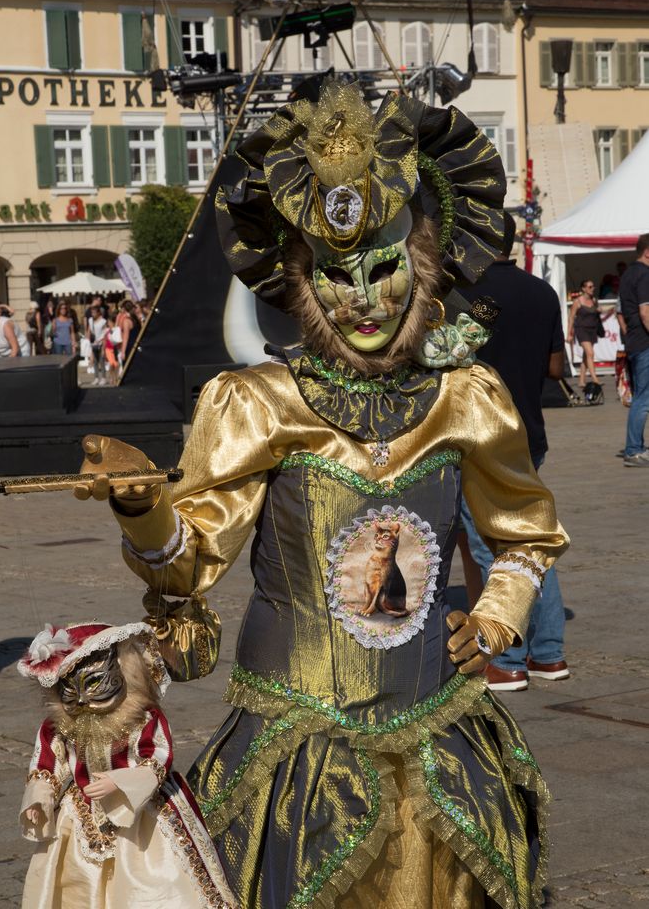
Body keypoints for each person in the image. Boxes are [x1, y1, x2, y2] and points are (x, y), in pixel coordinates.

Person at [73, 83, 568, 908]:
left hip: (437, 733)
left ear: (420, 268)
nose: (363, 300)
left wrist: (494, 617)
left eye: (383, 270)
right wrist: (141, 506)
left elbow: (523, 533)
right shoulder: (257, 402)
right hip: (296, 742)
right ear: (304, 282)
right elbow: (189, 563)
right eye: (337, 276)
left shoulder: (465, 397)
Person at [17, 620, 236, 909]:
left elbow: (157, 758)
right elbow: (48, 764)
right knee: (74, 883)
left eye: (94, 684)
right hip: (82, 812)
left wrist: (122, 782)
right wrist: (40, 797)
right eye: (70, 691)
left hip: (141, 813)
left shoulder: (143, 719)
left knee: (152, 880)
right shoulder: (59, 727)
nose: (83, 699)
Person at [457, 213, 569, 691]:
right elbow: (555, 365)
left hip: (478, 434)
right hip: (530, 433)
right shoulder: (542, 292)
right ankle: (549, 653)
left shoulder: (464, 295)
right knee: (531, 539)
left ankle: (509, 657)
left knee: (492, 547)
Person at [619, 233, 649, 466]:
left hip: (634, 340)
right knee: (643, 397)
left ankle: (635, 446)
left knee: (641, 395)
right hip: (644, 341)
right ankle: (634, 449)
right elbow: (645, 313)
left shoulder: (628, 273)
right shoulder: (644, 274)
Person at [567, 280, 603, 387]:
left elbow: (596, 313)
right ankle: (595, 379)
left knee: (586, 356)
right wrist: (569, 333)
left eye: (593, 287)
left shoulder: (594, 300)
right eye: (590, 287)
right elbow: (571, 318)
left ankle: (581, 380)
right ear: (583, 289)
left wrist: (599, 310)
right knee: (590, 353)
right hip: (581, 330)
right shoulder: (577, 302)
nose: (592, 289)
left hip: (592, 330)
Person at [87, 304, 108, 385]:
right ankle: (96, 378)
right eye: (91, 312)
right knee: (95, 361)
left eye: (94, 313)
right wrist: (89, 340)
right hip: (93, 343)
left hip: (101, 342)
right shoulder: (90, 320)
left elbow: (105, 334)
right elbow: (89, 331)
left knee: (101, 360)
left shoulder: (103, 321)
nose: (92, 314)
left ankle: (103, 378)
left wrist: (103, 348)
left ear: (99, 313)